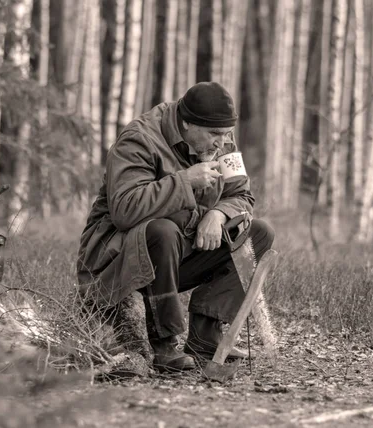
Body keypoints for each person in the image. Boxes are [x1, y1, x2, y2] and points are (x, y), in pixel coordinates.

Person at [77, 82, 275, 372]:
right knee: (163, 230)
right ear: (187, 123)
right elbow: (124, 210)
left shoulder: (222, 142)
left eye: (226, 134)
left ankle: (204, 339)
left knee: (258, 233)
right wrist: (185, 182)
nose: (223, 143)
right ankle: (164, 346)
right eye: (215, 134)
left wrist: (218, 214)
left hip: (175, 256)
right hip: (118, 261)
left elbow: (243, 196)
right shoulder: (139, 139)